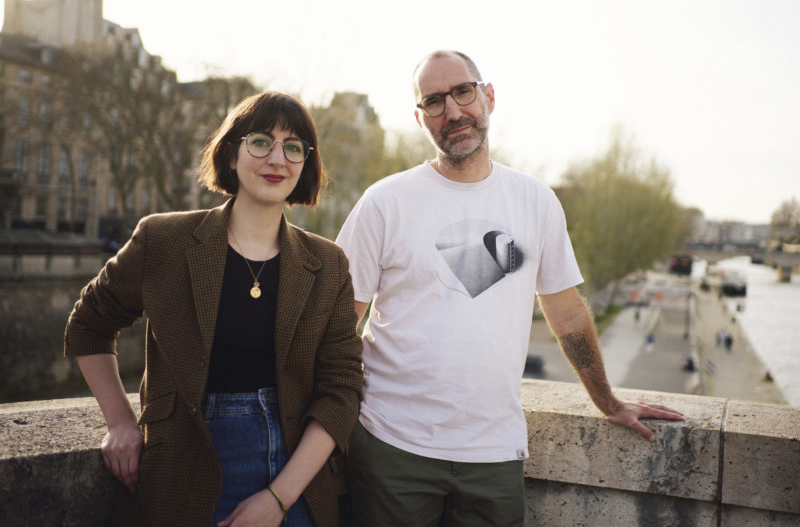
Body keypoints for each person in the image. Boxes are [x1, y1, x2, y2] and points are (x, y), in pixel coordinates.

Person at [335, 50, 685, 526]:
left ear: (489, 96)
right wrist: (333, 422)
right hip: (392, 451)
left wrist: (607, 401)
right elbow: (336, 327)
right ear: (420, 119)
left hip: (494, 454)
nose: (453, 111)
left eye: (463, 92)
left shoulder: (535, 201)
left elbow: (567, 314)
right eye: (434, 102)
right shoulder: (385, 203)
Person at [64, 91, 363, 527]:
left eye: (293, 147)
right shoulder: (164, 240)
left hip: (296, 477)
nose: (277, 158)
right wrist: (120, 422)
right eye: (261, 141)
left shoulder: (328, 263)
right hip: (184, 465)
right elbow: (89, 324)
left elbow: (342, 390)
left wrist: (279, 499)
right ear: (231, 151)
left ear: (306, 165)